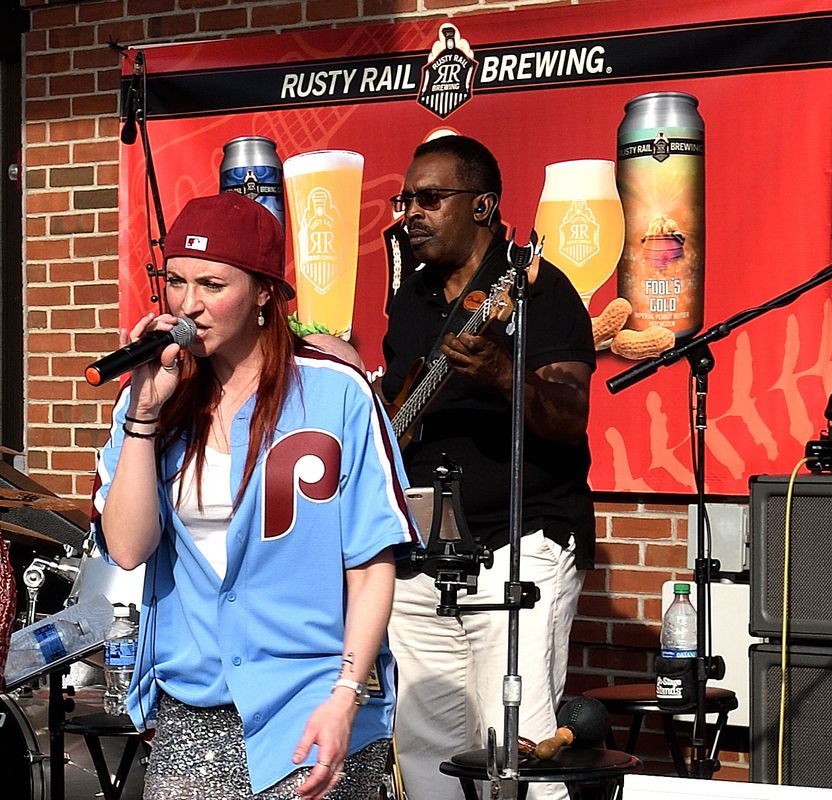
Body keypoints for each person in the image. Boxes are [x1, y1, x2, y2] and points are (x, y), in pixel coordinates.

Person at [90, 192, 414, 800]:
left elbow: (372, 564)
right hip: (194, 705)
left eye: (213, 285)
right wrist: (143, 415)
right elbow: (129, 548)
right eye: (177, 283)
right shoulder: (154, 397)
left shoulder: (334, 391)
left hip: (312, 701)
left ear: (265, 291)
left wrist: (347, 694)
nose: (190, 306)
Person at [380, 135, 595, 800]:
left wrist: (506, 375)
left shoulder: (534, 287)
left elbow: (569, 417)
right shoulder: (411, 299)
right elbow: (401, 410)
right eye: (405, 199)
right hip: (424, 553)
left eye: (430, 198)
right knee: (423, 747)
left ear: (484, 206)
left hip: (518, 542)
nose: (411, 213)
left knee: (520, 746)